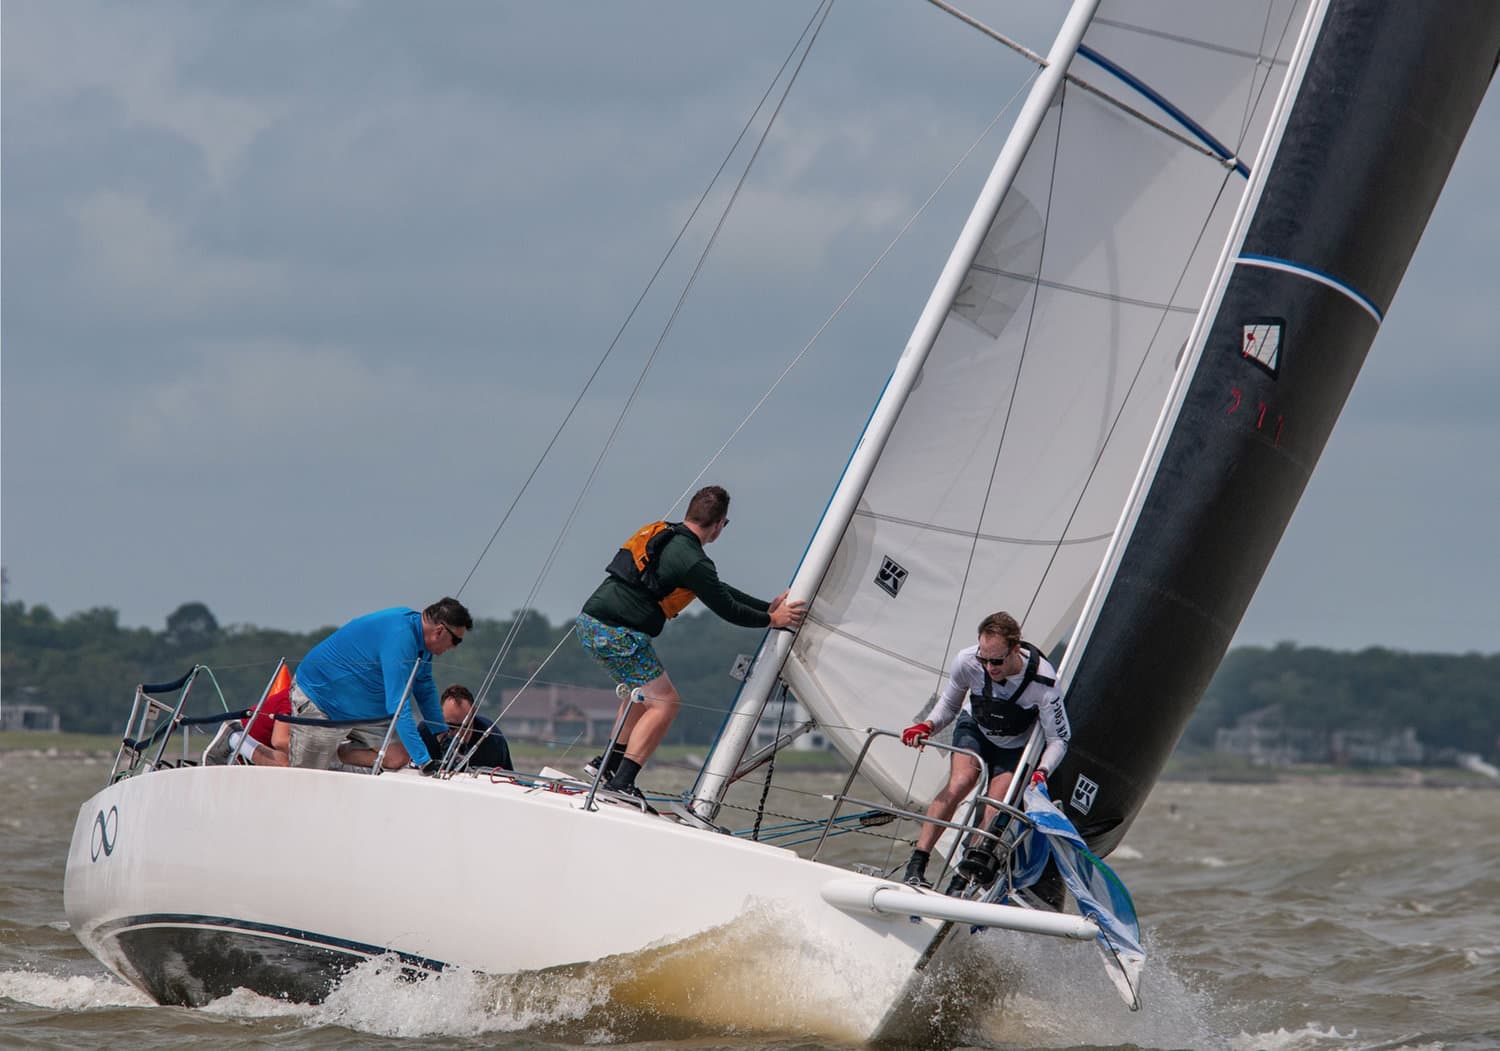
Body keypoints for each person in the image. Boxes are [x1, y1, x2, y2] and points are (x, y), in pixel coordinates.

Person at [576, 485, 806, 799]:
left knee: (640, 695)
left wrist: (766, 606)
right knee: (666, 702)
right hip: (616, 631)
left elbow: (716, 589)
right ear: (719, 524)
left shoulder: (667, 535)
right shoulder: (693, 561)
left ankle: (606, 765)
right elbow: (726, 607)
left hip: (591, 623)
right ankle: (622, 783)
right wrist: (772, 620)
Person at [898, 611, 1070, 889]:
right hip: (975, 728)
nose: (990, 667)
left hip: (1014, 746)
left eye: (997, 660)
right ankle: (917, 865)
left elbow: (1059, 739)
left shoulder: (1044, 684)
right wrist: (927, 725)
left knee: (994, 803)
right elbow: (950, 706)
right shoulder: (966, 662)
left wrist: (1042, 771)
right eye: (984, 659)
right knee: (961, 782)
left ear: (1016, 649)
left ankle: (962, 878)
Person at [287, 597, 472, 772]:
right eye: (456, 640)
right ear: (439, 631)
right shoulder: (401, 638)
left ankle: (334, 754)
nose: (455, 647)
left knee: (397, 757)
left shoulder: (423, 644)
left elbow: (424, 689)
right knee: (307, 780)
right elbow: (398, 705)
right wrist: (424, 761)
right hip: (321, 701)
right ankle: (323, 754)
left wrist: (442, 736)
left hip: (361, 713)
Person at [419, 684, 513, 771]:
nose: (458, 733)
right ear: (440, 713)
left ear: (474, 712)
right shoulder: (425, 732)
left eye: (464, 726)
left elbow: (506, 779)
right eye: (451, 727)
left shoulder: (493, 739)